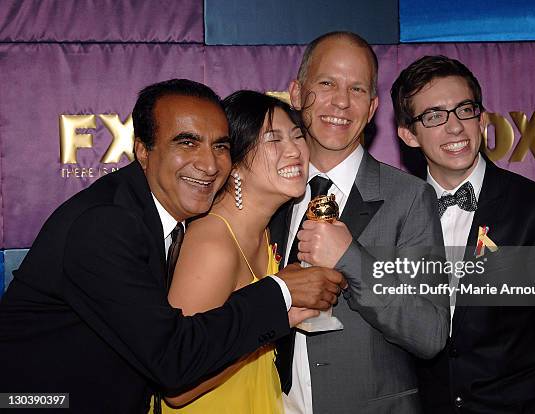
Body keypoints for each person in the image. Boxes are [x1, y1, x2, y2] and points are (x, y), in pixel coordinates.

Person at [0, 79, 344, 413]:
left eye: (220, 146)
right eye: (187, 143)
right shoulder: (105, 224)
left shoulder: (164, 217)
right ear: (142, 151)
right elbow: (174, 363)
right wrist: (280, 291)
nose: (209, 164)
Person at [391, 55, 535, 413]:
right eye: (434, 116)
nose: (455, 127)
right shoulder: (393, 215)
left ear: (483, 120)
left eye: (465, 110)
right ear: (409, 135)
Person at [270, 32, 449, 414]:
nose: (341, 101)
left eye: (356, 89)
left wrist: (351, 258)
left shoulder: (409, 198)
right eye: (327, 83)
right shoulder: (268, 191)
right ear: (297, 94)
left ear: (371, 109)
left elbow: (430, 333)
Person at [154, 90, 309, 413]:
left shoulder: (266, 233)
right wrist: (276, 317)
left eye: (297, 136)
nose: (295, 150)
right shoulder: (213, 245)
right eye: (274, 140)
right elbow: (177, 386)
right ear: (234, 163)